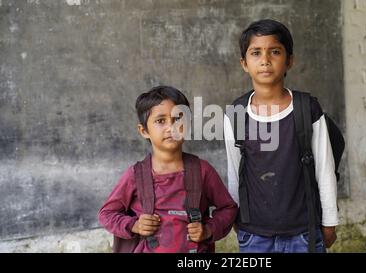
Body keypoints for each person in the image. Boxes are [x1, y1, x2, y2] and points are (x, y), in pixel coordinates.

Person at [224, 19, 338, 253]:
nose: (265, 60)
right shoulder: (236, 114)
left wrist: (329, 222)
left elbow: (325, 170)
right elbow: (235, 172)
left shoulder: (308, 109)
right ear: (244, 63)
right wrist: (237, 219)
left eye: (274, 51)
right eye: (256, 53)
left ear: (289, 60)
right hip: (254, 235)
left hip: (304, 232)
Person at [99, 86, 237, 253]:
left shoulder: (202, 170)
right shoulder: (136, 175)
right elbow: (106, 214)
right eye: (160, 121)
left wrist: (208, 229)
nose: (171, 127)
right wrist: (134, 225)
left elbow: (228, 208)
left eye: (178, 118)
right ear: (144, 131)